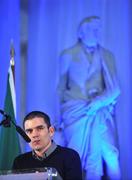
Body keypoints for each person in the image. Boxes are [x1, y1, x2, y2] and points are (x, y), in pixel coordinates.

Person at [58, 16, 121, 179]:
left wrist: (99, 102)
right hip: (75, 111)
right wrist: (56, 118)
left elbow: (115, 88)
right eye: (93, 29)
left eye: (98, 29)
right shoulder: (67, 55)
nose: (97, 32)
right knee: (75, 156)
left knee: (110, 155)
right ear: (81, 33)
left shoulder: (107, 56)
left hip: (101, 110)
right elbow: (60, 88)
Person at [12, 111, 82, 180]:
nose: (34, 135)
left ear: (51, 131)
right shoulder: (19, 162)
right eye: (29, 131)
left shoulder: (70, 156)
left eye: (39, 128)